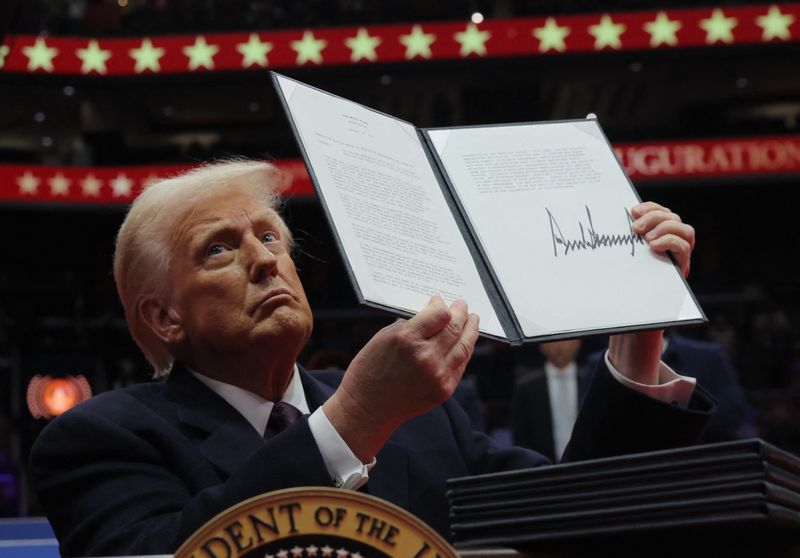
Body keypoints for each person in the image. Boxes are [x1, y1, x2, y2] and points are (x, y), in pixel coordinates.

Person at [30, 161, 715, 557]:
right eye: (219, 248)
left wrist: (636, 347)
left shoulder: (423, 417)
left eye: (271, 237)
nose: (265, 259)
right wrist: (355, 418)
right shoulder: (97, 441)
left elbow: (578, 525)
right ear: (164, 318)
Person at [511, 339, 592, 462]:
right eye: (553, 339)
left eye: (565, 339)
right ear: (542, 345)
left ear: (578, 343)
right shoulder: (526, 388)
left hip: (587, 465)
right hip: (542, 467)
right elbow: (520, 438)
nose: (559, 345)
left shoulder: (591, 382)